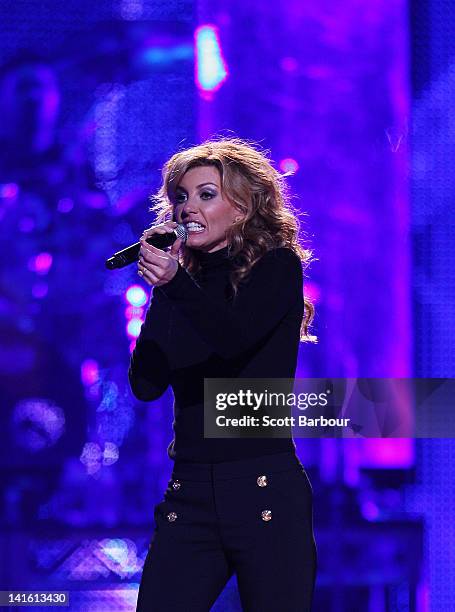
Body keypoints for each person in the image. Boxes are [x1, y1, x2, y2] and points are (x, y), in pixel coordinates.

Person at [129, 137, 317, 611]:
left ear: (242, 207)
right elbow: (145, 385)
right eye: (180, 196)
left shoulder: (276, 268)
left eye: (206, 193)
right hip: (189, 492)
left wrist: (176, 284)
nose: (188, 206)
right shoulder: (182, 283)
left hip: (262, 489)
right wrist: (162, 290)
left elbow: (232, 340)